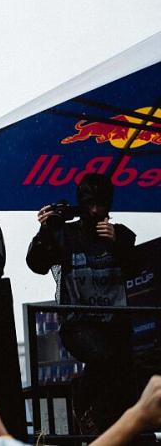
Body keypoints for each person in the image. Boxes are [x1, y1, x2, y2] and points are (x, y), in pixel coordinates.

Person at [26, 173, 138, 433]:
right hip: (79, 323)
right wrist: (45, 229)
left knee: (122, 377)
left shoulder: (121, 234)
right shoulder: (66, 234)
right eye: (90, 205)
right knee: (104, 358)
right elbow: (36, 264)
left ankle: (106, 425)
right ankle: (83, 401)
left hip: (115, 324)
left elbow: (135, 269)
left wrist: (118, 243)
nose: (96, 211)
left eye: (102, 205)